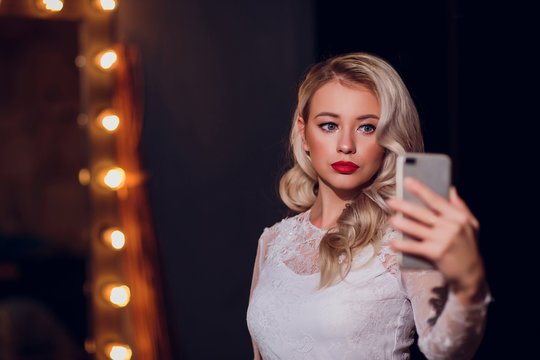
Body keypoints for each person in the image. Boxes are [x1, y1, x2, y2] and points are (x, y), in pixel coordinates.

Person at [246, 53, 490, 359]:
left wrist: (468, 288)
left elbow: (445, 350)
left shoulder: (404, 236)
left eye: (367, 128)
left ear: (388, 137)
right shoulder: (273, 241)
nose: (346, 145)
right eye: (330, 125)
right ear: (303, 132)